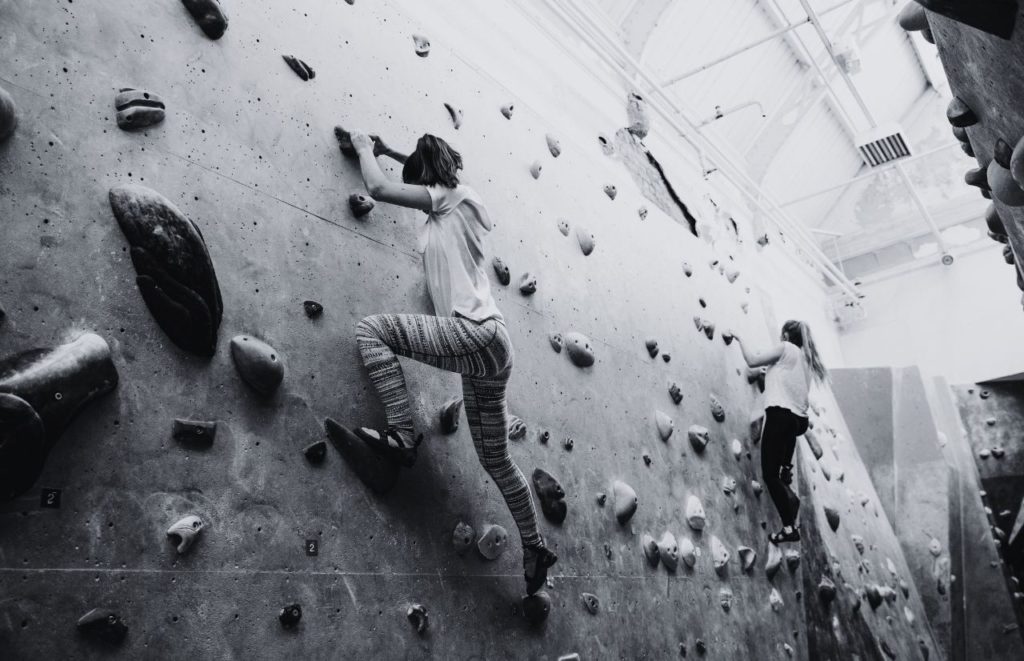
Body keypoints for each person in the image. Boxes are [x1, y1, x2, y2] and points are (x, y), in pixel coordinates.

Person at [334, 129, 557, 594]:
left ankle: (400, 432)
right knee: (495, 460)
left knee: (370, 331)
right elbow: (423, 178)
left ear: (429, 178)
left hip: (474, 336)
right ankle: (535, 546)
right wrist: (391, 149)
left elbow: (378, 189)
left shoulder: (450, 197)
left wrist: (361, 147)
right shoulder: (456, 207)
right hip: (491, 350)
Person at [730, 320, 828, 544]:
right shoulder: (806, 361)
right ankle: (787, 474)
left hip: (780, 416)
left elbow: (752, 361)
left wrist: (738, 335)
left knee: (769, 475)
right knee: (780, 473)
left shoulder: (785, 348)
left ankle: (789, 527)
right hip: (797, 422)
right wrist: (770, 373)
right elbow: (787, 385)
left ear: (785, 334)